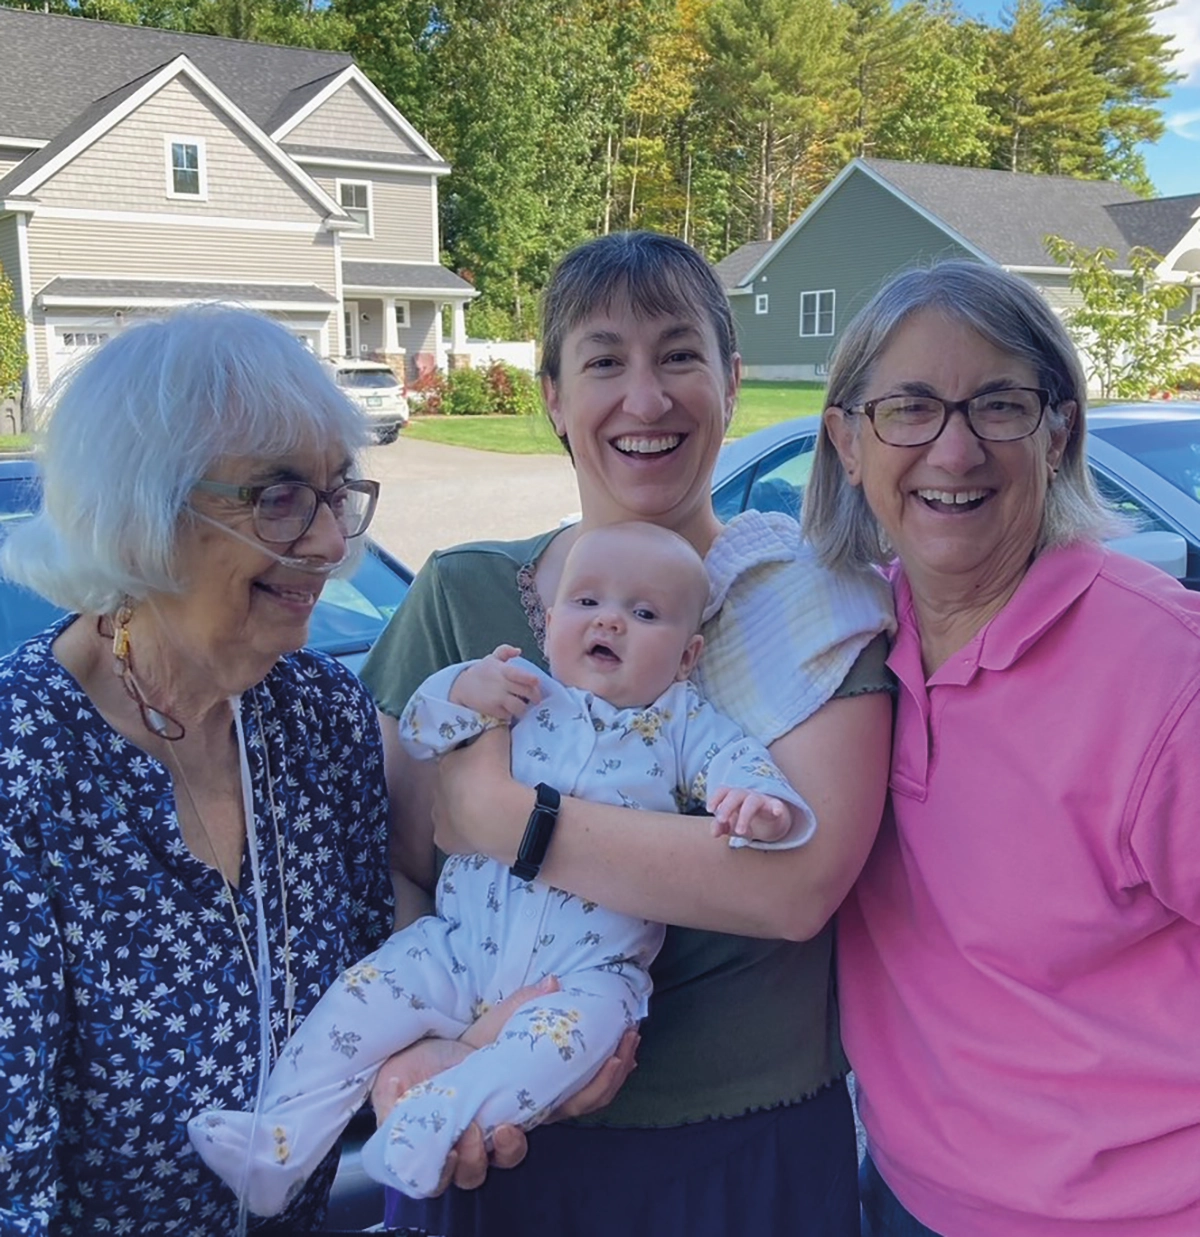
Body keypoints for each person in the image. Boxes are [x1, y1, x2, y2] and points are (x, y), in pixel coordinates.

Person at [361, 230, 897, 1237]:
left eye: (680, 355)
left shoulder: (812, 605)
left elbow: (799, 884)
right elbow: (398, 866)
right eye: (604, 361)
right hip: (495, 1142)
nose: (645, 400)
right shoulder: (462, 594)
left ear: (732, 381)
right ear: (554, 398)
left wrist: (507, 816)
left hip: (747, 1153)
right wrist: (421, 1051)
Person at [190, 519, 818, 1211]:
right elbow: (426, 729)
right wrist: (461, 689)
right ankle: (283, 1135)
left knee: (564, 1047)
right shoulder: (519, 695)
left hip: (581, 976)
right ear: (549, 624)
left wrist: (757, 800)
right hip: (458, 946)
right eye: (587, 603)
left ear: (688, 654)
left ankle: (439, 1120)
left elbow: (735, 762)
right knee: (360, 998)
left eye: (644, 613)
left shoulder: (681, 724)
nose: (610, 619)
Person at [805, 260, 1200, 1236]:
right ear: (848, 441)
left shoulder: (1165, 670)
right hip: (902, 1194)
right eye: (911, 409)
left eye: (999, 405)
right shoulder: (838, 646)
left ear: (1058, 430)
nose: (955, 449)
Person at [0, 305, 402, 1234]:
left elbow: (383, 980)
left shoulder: (320, 718)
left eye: (336, 492)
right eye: (277, 496)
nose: (333, 544)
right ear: (145, 509)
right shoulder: (23, 765)